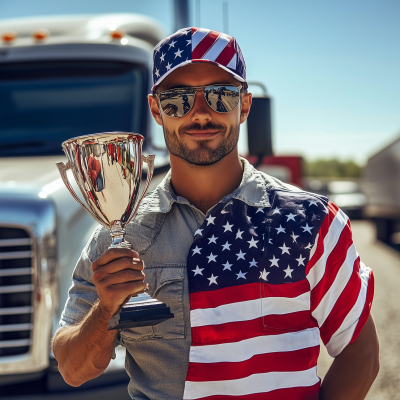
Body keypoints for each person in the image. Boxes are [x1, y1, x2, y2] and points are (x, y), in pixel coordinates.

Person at [52, 27, 379, 400]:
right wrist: (105, 309)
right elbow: (72, 369)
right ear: (156, 110)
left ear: (245, 104)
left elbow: (361, 353)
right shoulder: (120, 237)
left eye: (220, 96)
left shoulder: (310, 222)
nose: (201, 114)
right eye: (178, 100)